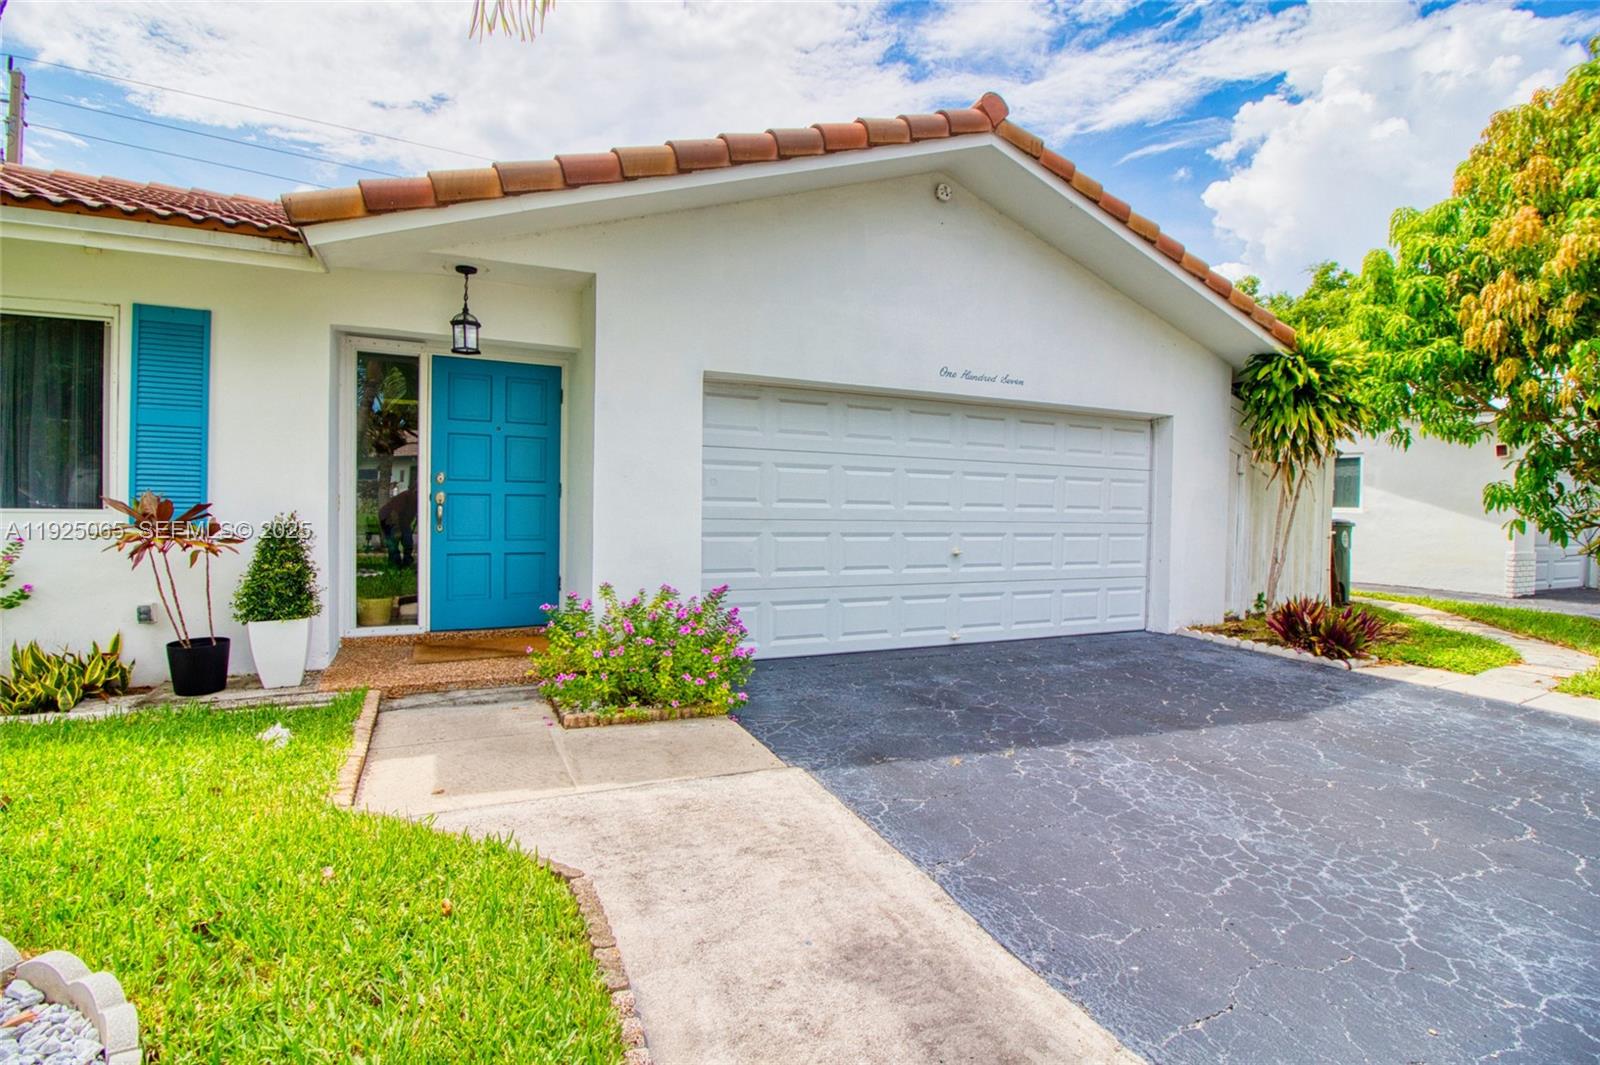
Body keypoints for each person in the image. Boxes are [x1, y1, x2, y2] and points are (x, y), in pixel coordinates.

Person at [379, 487, 417, 569]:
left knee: (408, 542)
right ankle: (394, 565)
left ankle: (407, 564)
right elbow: (394, 513)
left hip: (403, 521)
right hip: (388, 519)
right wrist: (397, 529)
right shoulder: (405, 496)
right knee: (393, 544)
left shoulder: (419, 500)